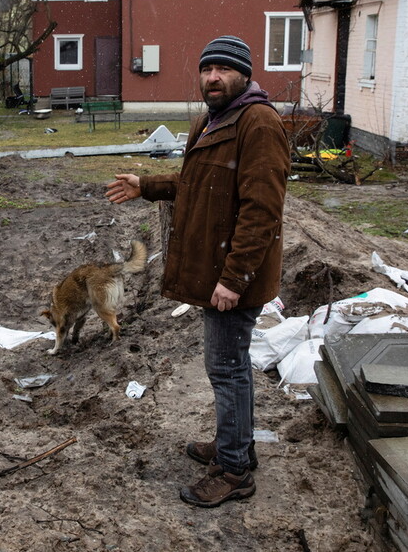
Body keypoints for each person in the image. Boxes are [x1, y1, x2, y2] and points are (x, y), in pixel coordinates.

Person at [105, 35, 290, 508]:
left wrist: (234, 278)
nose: (213, 77)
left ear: (244, 75)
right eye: (207, 69)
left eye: (224, 70)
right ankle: (236, 448)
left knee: (227, 371)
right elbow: (197, 183)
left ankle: (234, 471)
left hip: (232, 275)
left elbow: (261, 212)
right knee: (228, 370)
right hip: (218, 270)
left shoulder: (259, 123)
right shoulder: (213, 120)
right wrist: (146, 185)